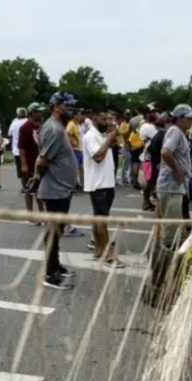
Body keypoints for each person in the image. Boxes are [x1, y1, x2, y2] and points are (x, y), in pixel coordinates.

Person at [36, 92, 80, 290]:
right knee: (54, 231)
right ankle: (50, 274)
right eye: (67, 105)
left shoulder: (57, 128)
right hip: (55, 189)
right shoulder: (54, 130)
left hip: (61, 188)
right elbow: (41, 161)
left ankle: (55, 265)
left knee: (58, 230)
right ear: (56, 106)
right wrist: (40, 176)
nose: (71, 109)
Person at [83, 110, 124, 268]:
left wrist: (113, 136)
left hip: (106, 182)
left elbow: (118, 144)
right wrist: (110, 138)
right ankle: (108, 255)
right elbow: (98, 157)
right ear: (94, 119)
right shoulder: (90, 136)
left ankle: (99, 250)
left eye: (109, 119)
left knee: (99, 218)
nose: (108, 121)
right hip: (98, 184)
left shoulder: (101, 135)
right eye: (104, 118)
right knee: (102, 220)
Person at [157, 104, 192, 250]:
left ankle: (171, 253)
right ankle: (166, 260)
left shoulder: (179, 132)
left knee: (174, 224)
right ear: (180, 119)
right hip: (171, 186)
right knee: (171, 228)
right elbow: (166, 152)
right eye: (189, 118)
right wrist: (177, 170)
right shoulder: (175, 132)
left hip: (175, 186)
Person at [18, 102, 46, 222]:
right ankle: (30, 214)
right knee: (29, 189)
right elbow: (21, 148)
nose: (41, 113)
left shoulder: (42, 125)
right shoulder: (25, 127)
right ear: (32, 113)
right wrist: (23, 164)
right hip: (29, 162)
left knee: (41, 190)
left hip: (40, 161)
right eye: (39, 111)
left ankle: (42, 214)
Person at [9, 108, 28, 191]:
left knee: (21, 169)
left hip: (17, 150)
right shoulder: (28, 121)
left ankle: (24, 187)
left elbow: (10, 133)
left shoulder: (14, 123)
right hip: (29, 149)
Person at [66, 112, 84, 191]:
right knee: (75, 169)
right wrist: (72, 142)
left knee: (82, 169)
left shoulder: (78, 125)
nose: (80, 116)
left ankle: (80, 184)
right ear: (74, 116)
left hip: (81, 149)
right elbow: (67, 133)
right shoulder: (71, 124)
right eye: (78, 115)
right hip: (75, 150)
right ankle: (74, 185)